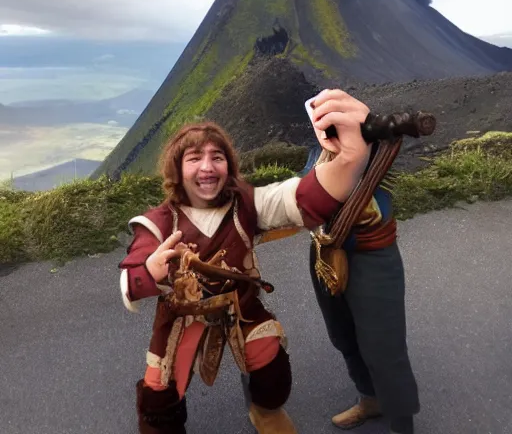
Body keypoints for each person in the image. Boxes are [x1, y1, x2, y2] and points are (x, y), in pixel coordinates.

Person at [117, 88, 373, 434]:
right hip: (183, 317)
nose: (207, 167)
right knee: (159, 396)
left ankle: (264, 413)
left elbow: (303, 197)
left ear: (229, 166)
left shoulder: (247, 204)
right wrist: (150, 271)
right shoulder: (160, 221)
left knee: (271, 364)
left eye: (217, 157)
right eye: (194, 158)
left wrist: (350, 159)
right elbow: (133, 276)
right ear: (177, 169)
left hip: (241, 308)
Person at [308, 144, 420, 433]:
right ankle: (371, 399)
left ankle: (401, 424)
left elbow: (373, 207)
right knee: (343, 333)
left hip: (372, 258)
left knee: (384, 346)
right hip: (327, 254)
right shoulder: (318, 151)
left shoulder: (372, 150)